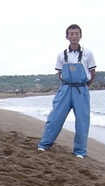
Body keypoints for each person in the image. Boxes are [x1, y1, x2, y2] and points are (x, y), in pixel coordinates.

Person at [37, 24, 96, 158]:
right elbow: (60, 73)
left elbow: (92, 73)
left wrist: (85, 85)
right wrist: (67, 83)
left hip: (81, 90)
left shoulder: (88, 53)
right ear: (67, 37)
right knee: (55, 117)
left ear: (80, 36)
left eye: (76, 33)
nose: (74, 36)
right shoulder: (62, 55)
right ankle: (45, 144)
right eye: (71, 34)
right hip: (66, 89)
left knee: (82, 121)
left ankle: (80, 151)